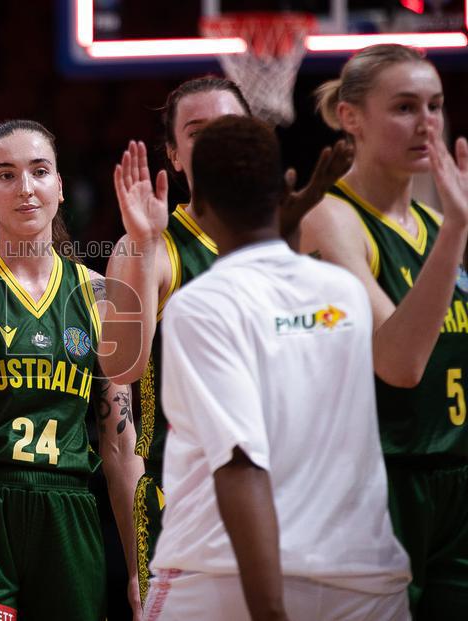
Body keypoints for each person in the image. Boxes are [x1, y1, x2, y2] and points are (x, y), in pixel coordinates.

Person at [144, 115, 410, 621]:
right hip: (364, 581)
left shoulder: (202, 303)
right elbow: (279, 290)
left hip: (227, 576)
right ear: (287, 185)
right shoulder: (344, 293)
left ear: (198, 207)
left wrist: (270, 611)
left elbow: (241, 463)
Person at [97, 76, 352, 600]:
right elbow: (121, 368)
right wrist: (144, 246)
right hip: (186, 499)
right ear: (173, 154)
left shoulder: (298, 237)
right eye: (197, 132)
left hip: (294, 490)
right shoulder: (149, 245)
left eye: (228, 127)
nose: (216, 142)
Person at [0, 119, 142, 620]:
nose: (26, 188)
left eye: (39, 172)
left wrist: (139, 565)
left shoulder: (101, 296)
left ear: (59, 186)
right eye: (7, 175)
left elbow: (121, 444)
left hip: (69, 511)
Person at [300, 44, 468, 618]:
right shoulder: (329, 217)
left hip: (456, 477)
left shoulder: (434, 222)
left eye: (436, 105)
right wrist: (458, 234)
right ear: (351, 117)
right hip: (379, 484)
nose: (427, 124)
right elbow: (398, 364)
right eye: (403, 107)